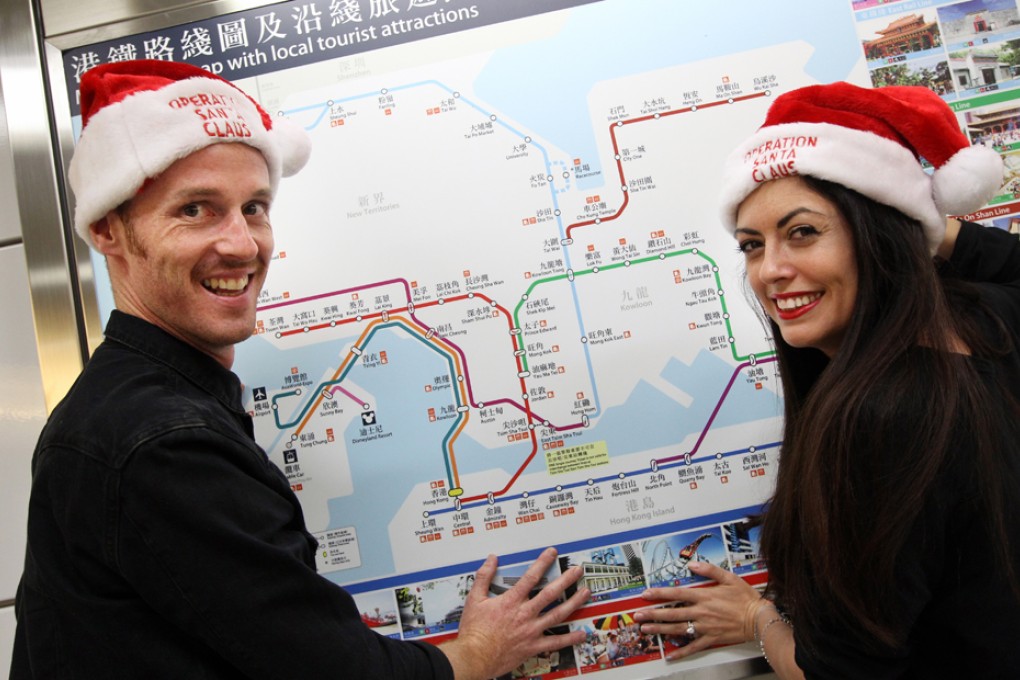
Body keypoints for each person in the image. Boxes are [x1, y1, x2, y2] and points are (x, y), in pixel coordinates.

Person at [11, 60, 589, 679]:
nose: (243, 244)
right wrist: (478, 652)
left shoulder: (136, 405)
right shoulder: (161, 441)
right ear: (108, 230)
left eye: (254, 207)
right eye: (195, 210)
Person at [633, 82, 1020, 678]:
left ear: (877, 232)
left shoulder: (878, 419)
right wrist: (917, 220)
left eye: (803, 232)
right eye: (752, 245)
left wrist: (755, 619)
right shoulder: (990, 320)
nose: (771, 270)